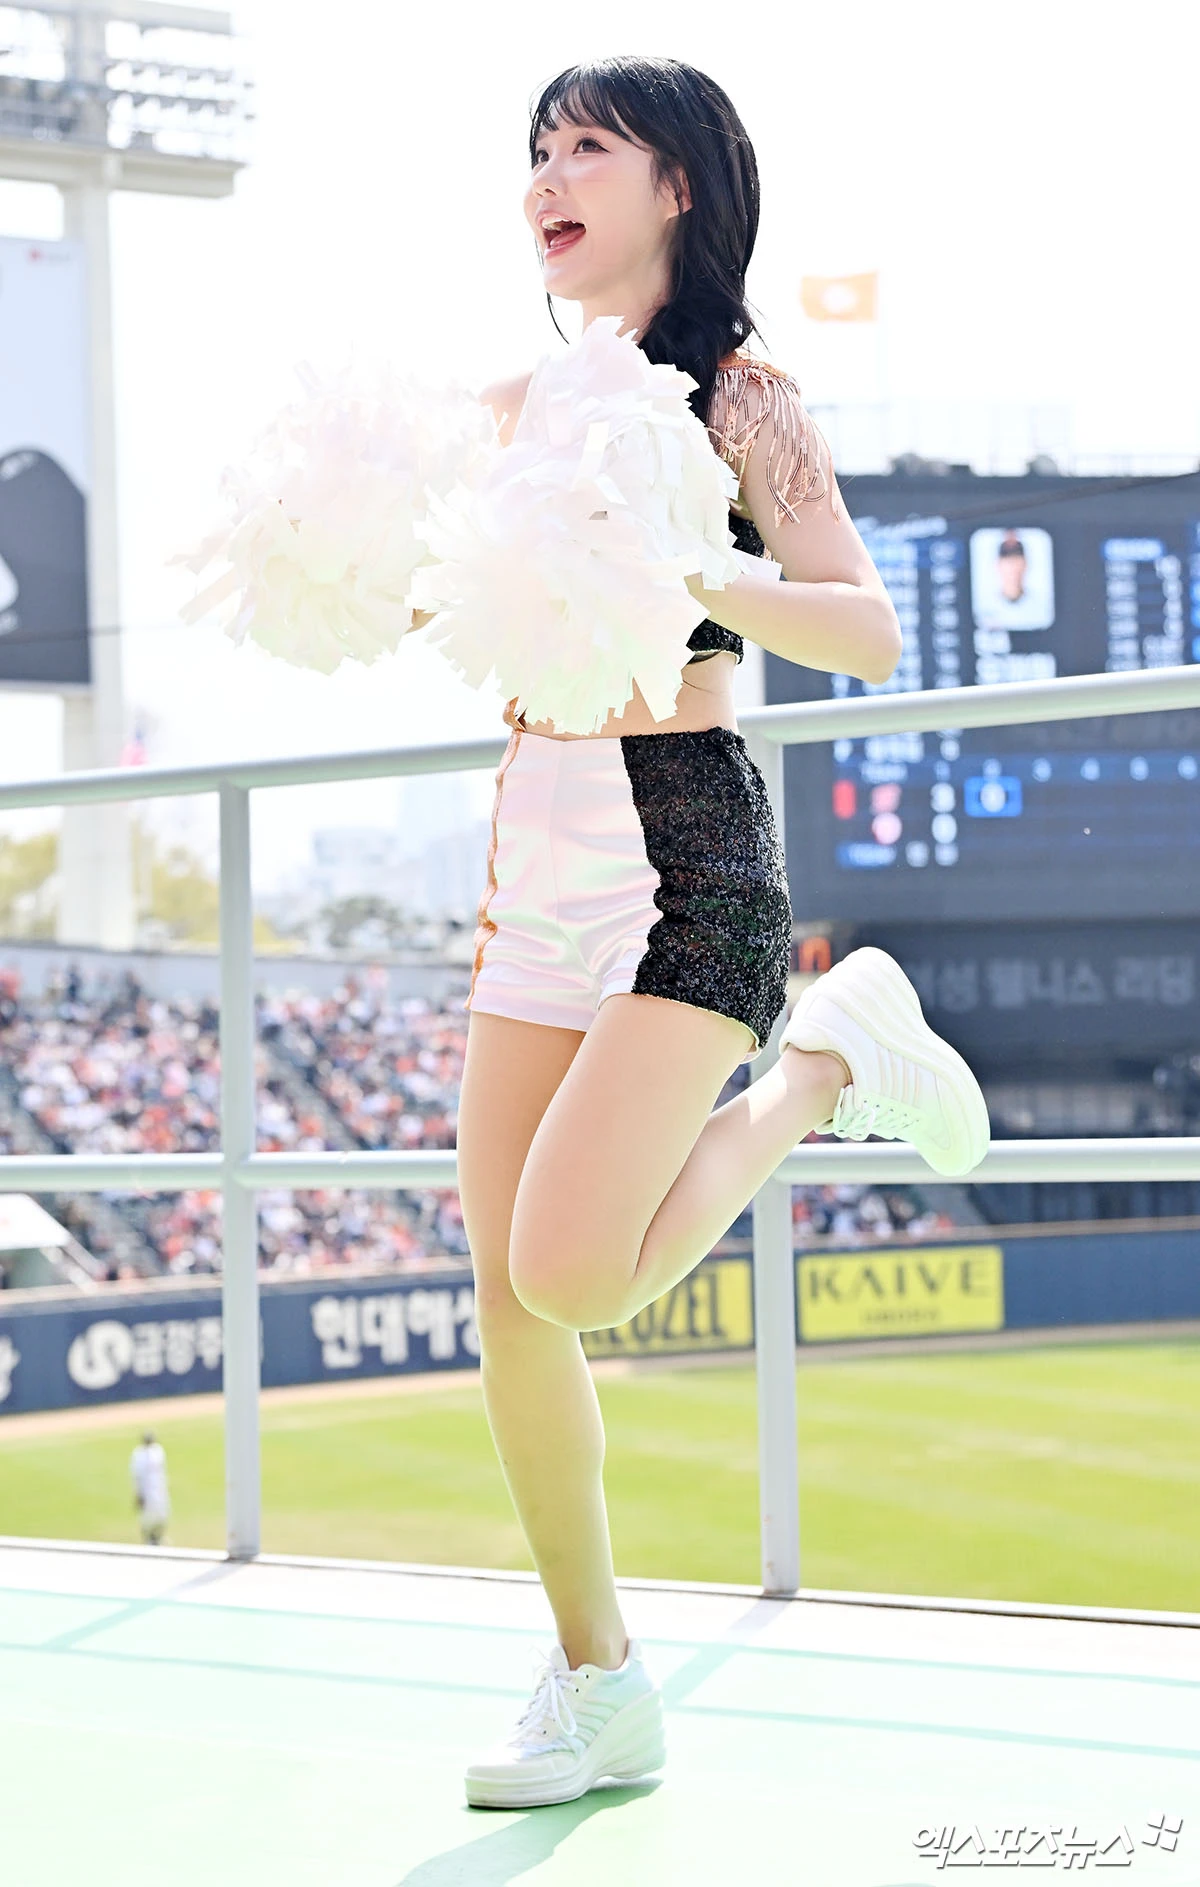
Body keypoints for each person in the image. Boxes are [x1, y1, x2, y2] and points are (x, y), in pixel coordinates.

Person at [444, 55, 991, 1810]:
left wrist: (687, 567)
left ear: (678, 182)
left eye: (588, 145)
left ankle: (823, 1062)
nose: (549, 174)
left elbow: (867, 628)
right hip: (530, 863)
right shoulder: (515, 401)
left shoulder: (744, 397)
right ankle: (601, 1681)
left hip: (681, 860)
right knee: (508, 1307)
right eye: (538, 148)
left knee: (572, 1272)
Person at [130, 1430, 170, 1546]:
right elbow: (136, 1476)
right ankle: (147, 1539)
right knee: (146, 1518)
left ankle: (158, 1537)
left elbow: (162, 1471)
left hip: (159, 1489)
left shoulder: (158, 1451)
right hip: (146, 1491)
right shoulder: (138, 1455)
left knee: (162, 1515)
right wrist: (138, 1493)